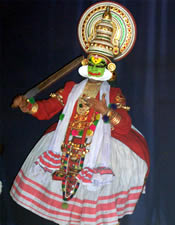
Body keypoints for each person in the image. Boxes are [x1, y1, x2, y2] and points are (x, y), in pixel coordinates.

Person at [10, 2, 150, 225]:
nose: (95, 66)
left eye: (100, 62)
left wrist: (106, 112)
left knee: (93, 213)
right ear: (86, 61)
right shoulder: (70, 90)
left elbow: (123, 126)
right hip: (63, 149)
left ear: (109, 67)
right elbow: (46, 109)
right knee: (59, 211)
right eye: (92, 61)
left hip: (98, 154)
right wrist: (28, 106)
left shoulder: (114, 94)